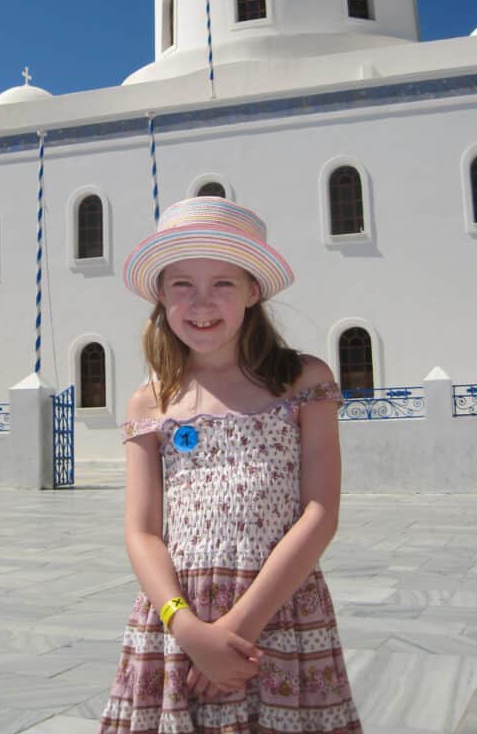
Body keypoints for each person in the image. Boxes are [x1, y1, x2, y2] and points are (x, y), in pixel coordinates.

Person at [98, 197, 362, 733]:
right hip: (178, 616)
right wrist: (190, 630)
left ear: (252, 290)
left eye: (222, 282)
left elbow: (319, 513)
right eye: (182, 285)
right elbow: (142, 532)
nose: (202, 303)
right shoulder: (150, 402)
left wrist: (240, 627)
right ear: (161, 297)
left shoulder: (303, 381)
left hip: (278, 611)